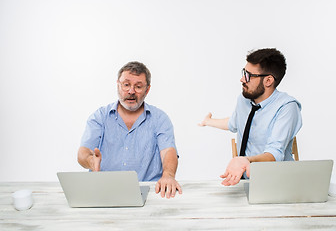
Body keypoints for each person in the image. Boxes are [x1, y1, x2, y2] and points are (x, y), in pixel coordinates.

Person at [78, 61, 182, 199]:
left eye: (138, 86)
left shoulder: (160, 119)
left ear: (147, 89)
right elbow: (83, 152)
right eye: (126, 85)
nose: (131, 91)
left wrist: (168, 176)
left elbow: (168, 151)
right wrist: (92, 162)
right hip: (104, 193)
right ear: (118, 85)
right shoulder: (100, 117)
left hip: (149, 194)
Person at [199, 48, 302, 186]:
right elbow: (234, 123)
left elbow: (274, 154)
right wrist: (209, 121)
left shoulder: (287, 107)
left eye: (248, 75)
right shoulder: (244, 100)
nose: (242, 79)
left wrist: (246, 160)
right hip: (245, 182)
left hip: (278, 182)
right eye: (244, 73)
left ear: (268, 80)